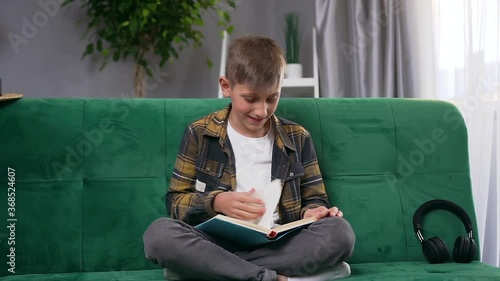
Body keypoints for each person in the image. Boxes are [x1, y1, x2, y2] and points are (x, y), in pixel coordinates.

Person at [143, 34, 355, 281]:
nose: (261, 110)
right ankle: (276, 278)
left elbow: (315, 198)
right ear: (226, 86)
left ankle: (210, 270)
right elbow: (175, 203)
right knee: (159, 235)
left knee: (340, 234)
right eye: (251, 99)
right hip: (216, 243)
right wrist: (217, 202)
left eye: (272, 98)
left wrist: (314, 213)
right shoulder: (200, 133)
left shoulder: (297, 137)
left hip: (280, 242)